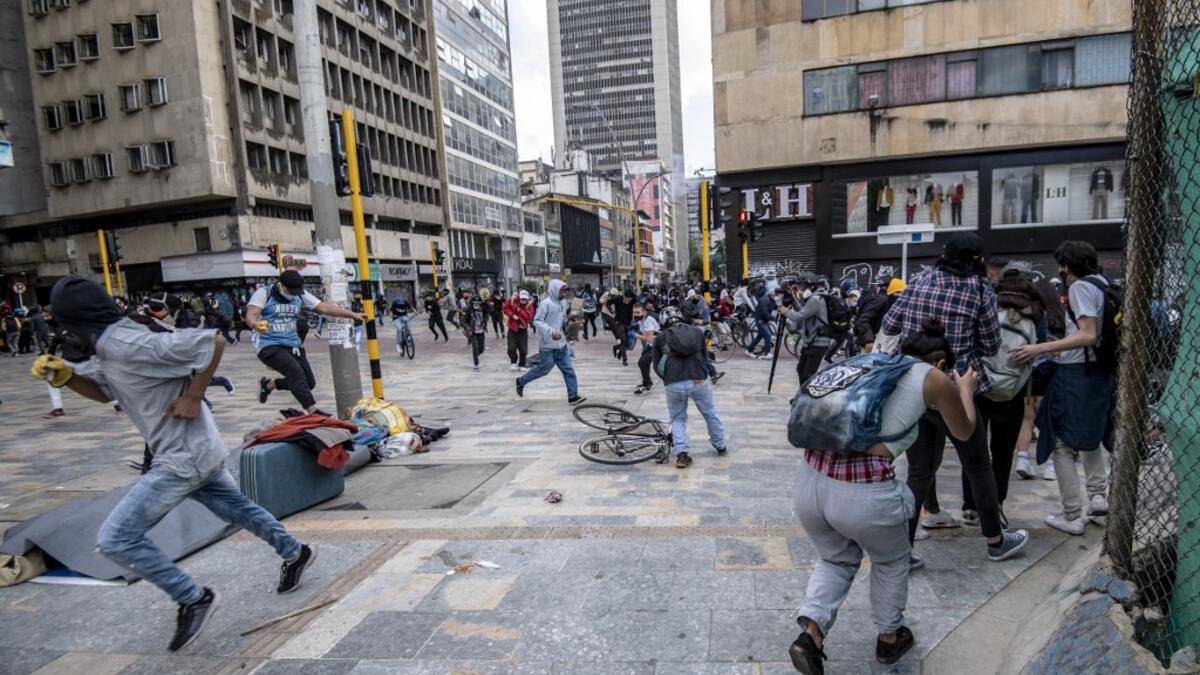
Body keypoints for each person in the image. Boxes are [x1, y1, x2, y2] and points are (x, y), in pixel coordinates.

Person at [31, 276, 317, 652]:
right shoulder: (108, 347)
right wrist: (66, 377)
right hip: (195, 449)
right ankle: (296, 552)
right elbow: (104, 393)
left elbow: (211, 342)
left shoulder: (127, 342)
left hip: (182, 458)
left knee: (116, 538)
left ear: (74, 320)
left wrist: (194, 396)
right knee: (239, 510)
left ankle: (192, 597)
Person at [787, 319, 979, 673]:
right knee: (891, 560)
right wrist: (964, 388)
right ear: (940, 363)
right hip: (863, 491)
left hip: (810, 480)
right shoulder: (933, 376)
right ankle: (889, 639)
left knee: (835, 560)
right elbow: (964, 431)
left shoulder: (870, 361)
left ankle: (810, 636)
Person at [880, 233, 1029, 562]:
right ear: (977, 260)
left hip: (915, 386)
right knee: (978, 465)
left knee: (919, 471)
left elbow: (890, 324)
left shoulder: (920, 280)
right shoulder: (979, 289)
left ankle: (902, 551)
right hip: (956, 387)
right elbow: (990, 345)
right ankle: (995, 541)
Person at [1011, 241, 1114, 535]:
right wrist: (1062, 346)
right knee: (1092, 433)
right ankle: (1097, 495)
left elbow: (1087, 334)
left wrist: (1040, 348)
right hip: (1099, 370)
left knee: (1061, 443)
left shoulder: (1080, 287)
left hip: (1077, 372)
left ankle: (1071, 514)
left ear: (1066, 265)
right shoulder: (1104, 283)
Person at [247, 271, 366, 414]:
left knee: (308, 383)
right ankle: (312, 410)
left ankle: (269, 385)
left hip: (292, 343)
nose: (293, 295)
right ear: (281, 285)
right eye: (290, 291)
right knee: (294, 371)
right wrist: (255, 324)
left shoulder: (300, 294)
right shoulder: (264, 293)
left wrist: (353, 315)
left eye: (296, 292)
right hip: (268, 344)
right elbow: (251, 314)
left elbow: (325, 308)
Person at [652, 306, 726, 469]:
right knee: (709, 412)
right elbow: (705, 357)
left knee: (677, 418)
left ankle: (682, 454)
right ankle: (720, 445)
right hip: (698, 379)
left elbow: (656, 365)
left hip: (674, 382)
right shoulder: (697, 332)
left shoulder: (660, 338)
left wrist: (667, 378)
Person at [515, 279, 585, 405]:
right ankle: (521, 381)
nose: (564, 294)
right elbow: (537, 321)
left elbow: (561, 319)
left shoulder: (563, 303)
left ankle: (573, 396)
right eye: (562, 291)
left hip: (561, 344)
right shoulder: (545, 304)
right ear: (554, 290)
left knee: (568, 369)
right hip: (548, 345)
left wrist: (572, 323)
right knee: (543, 369)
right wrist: (551, 332)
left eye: (565, 291)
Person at [783, 273, 834, 384]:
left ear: (812, 286)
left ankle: (808, 394)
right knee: (801, 370)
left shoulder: (815, 299)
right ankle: (803, 392)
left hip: (818, 342)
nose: (801, 290)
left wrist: (785, 311)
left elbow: (799, 317)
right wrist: (794, 300)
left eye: (803, 287)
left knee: (808, 374)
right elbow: (804, 311)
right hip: (811, 342)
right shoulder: (816, 297)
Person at [632, 303, 661, 396]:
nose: (635, 314)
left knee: (643, 362)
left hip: (658, 345)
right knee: (642, 363)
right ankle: (646, 382)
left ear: (644, 312)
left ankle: (648, 384)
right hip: (651, 345)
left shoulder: (649, 320)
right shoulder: (641, 320)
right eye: (634, 312)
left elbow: (648, 338)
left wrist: (634, 335)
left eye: (638, 312)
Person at [503, 290, 535, 370]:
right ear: (519, 297)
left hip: (523, 330)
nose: (523, 300)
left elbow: (529, 317)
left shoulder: (529, 305)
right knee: (511, 348)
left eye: (525, 299)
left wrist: (519, 311)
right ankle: (513, 362)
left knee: (523, 350)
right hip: (512, 328)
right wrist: (512, 315)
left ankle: (522, 365)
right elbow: (505, 308)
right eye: (522, 298)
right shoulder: (513, 300)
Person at [746, 282, 775, 359]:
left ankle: (749, 350)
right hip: (760, 320)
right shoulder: (765, 300)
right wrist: (772, 318)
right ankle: (767, 353)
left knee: (760, 336)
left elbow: (774, 306)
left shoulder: (770, 299)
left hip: (763, 320)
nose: (776, 296)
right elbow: (764, 313)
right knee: (768, 335)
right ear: (770, 293)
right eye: (774, 294)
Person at [461, 294, 487, 372]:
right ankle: (476, 364)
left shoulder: (483, 308)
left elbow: (491, 309)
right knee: (475, 347)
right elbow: (463, 321)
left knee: (481, 349)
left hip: (481, 331)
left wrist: (485, 301)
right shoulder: (467, 309)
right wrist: (468, 329)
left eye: (478, 303)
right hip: (472, 332)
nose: (476, 305)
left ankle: (475, 355)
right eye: (474, 303)